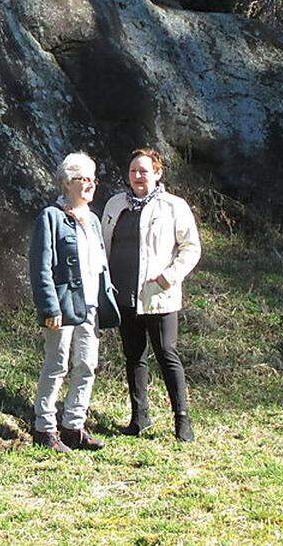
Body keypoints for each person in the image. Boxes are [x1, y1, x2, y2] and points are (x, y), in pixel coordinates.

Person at [102, 148, 201, 442]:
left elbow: (191, 247)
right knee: (133, 356)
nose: (138, 176)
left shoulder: (174, 206)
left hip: (158, 295)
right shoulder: (115, 204)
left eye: (144, 171)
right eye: (133, 171)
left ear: (157, 174)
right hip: (123, 294)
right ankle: (139, 417)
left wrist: (170, 276)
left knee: (167, 354)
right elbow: (104, 245)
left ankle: (182, 420)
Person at [27, 152, 120, 453]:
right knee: (56, 366)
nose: (91, 184)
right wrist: (49, 307)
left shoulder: (92, 220)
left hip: (90, 306)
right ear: (67, 183)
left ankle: (73, 427)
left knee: (86, 365)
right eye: (84, 179)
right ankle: (45, 428)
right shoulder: (50, 217)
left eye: (93, 178)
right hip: (63, 306)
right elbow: (40, 267)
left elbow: (99, 264)